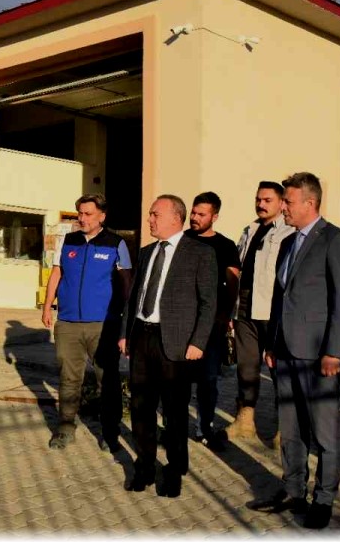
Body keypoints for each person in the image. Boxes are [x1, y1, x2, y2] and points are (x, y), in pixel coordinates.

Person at [247, 172, 340, 529]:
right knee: (291, 429)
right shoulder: (288, 241)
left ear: (310, 203)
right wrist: (272, 344)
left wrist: (334, 351)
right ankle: (294, 489)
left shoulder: (336, 240)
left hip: (318, 354)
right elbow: (280, 297)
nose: (284, 208)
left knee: (324, 433)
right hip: (285, 351)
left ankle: (324, 498)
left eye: (289, 202)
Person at [120, 195, 217, 498]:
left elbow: (209, 303)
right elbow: (134, 297)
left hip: (176, 343)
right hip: (142, 337)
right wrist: (125, 334)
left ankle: (174, 470)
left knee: (174, 412)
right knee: (141, 407)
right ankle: (145, 466)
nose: (149, 219)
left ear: (176, 217)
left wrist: (198, 342)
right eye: (150, 214)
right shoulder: (147, 252)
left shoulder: (200, 253)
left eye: (155, 214)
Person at [41, 194, 133, 450]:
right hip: (68, 322)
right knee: (69, 378)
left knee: (108, 380)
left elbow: (126, 285)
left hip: (103, 325)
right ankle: (65, 428)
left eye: (88, 214)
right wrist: (47, 306)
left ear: (102, 216)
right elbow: (57, 273)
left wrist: (125, 322)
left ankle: (110, 432)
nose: (82, 218)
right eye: (80, 213)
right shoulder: (69, 241)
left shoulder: (116, 244)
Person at [228, 182, 296, 441]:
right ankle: (245, 421)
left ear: (281, 203)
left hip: (272, 309)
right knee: (246, 367)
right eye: (258, 199)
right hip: (245, 306)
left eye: (267, 200)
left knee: (279, 368)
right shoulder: (250, 229)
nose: (261, 204)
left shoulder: (289, 231)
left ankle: (285, 429)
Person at [185, 192, 240, 451]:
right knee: (178, 379)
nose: (194, 218)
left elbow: (233, 283)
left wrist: (224, 316)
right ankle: (174, 428)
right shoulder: (182, 240)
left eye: (201, 214)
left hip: (211, 324)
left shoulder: (226, 246)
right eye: (193, 212)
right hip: (181, 323)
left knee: (207, 380)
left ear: (214, 217)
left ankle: (204, 429)